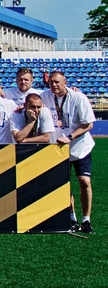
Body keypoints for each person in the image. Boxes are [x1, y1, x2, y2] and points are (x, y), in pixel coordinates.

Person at [42, 71, 95, 233]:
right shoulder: (45, 96)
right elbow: (30, 101)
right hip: (58, 149)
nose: (54, 85)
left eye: (57, 82)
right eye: (51, 82)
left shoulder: (78, 97)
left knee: (84, 181)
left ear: (65, 82)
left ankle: (86, 219)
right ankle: (72, 218)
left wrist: (70, 137)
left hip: (80, 147)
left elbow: (88, 124)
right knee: (65, 184)